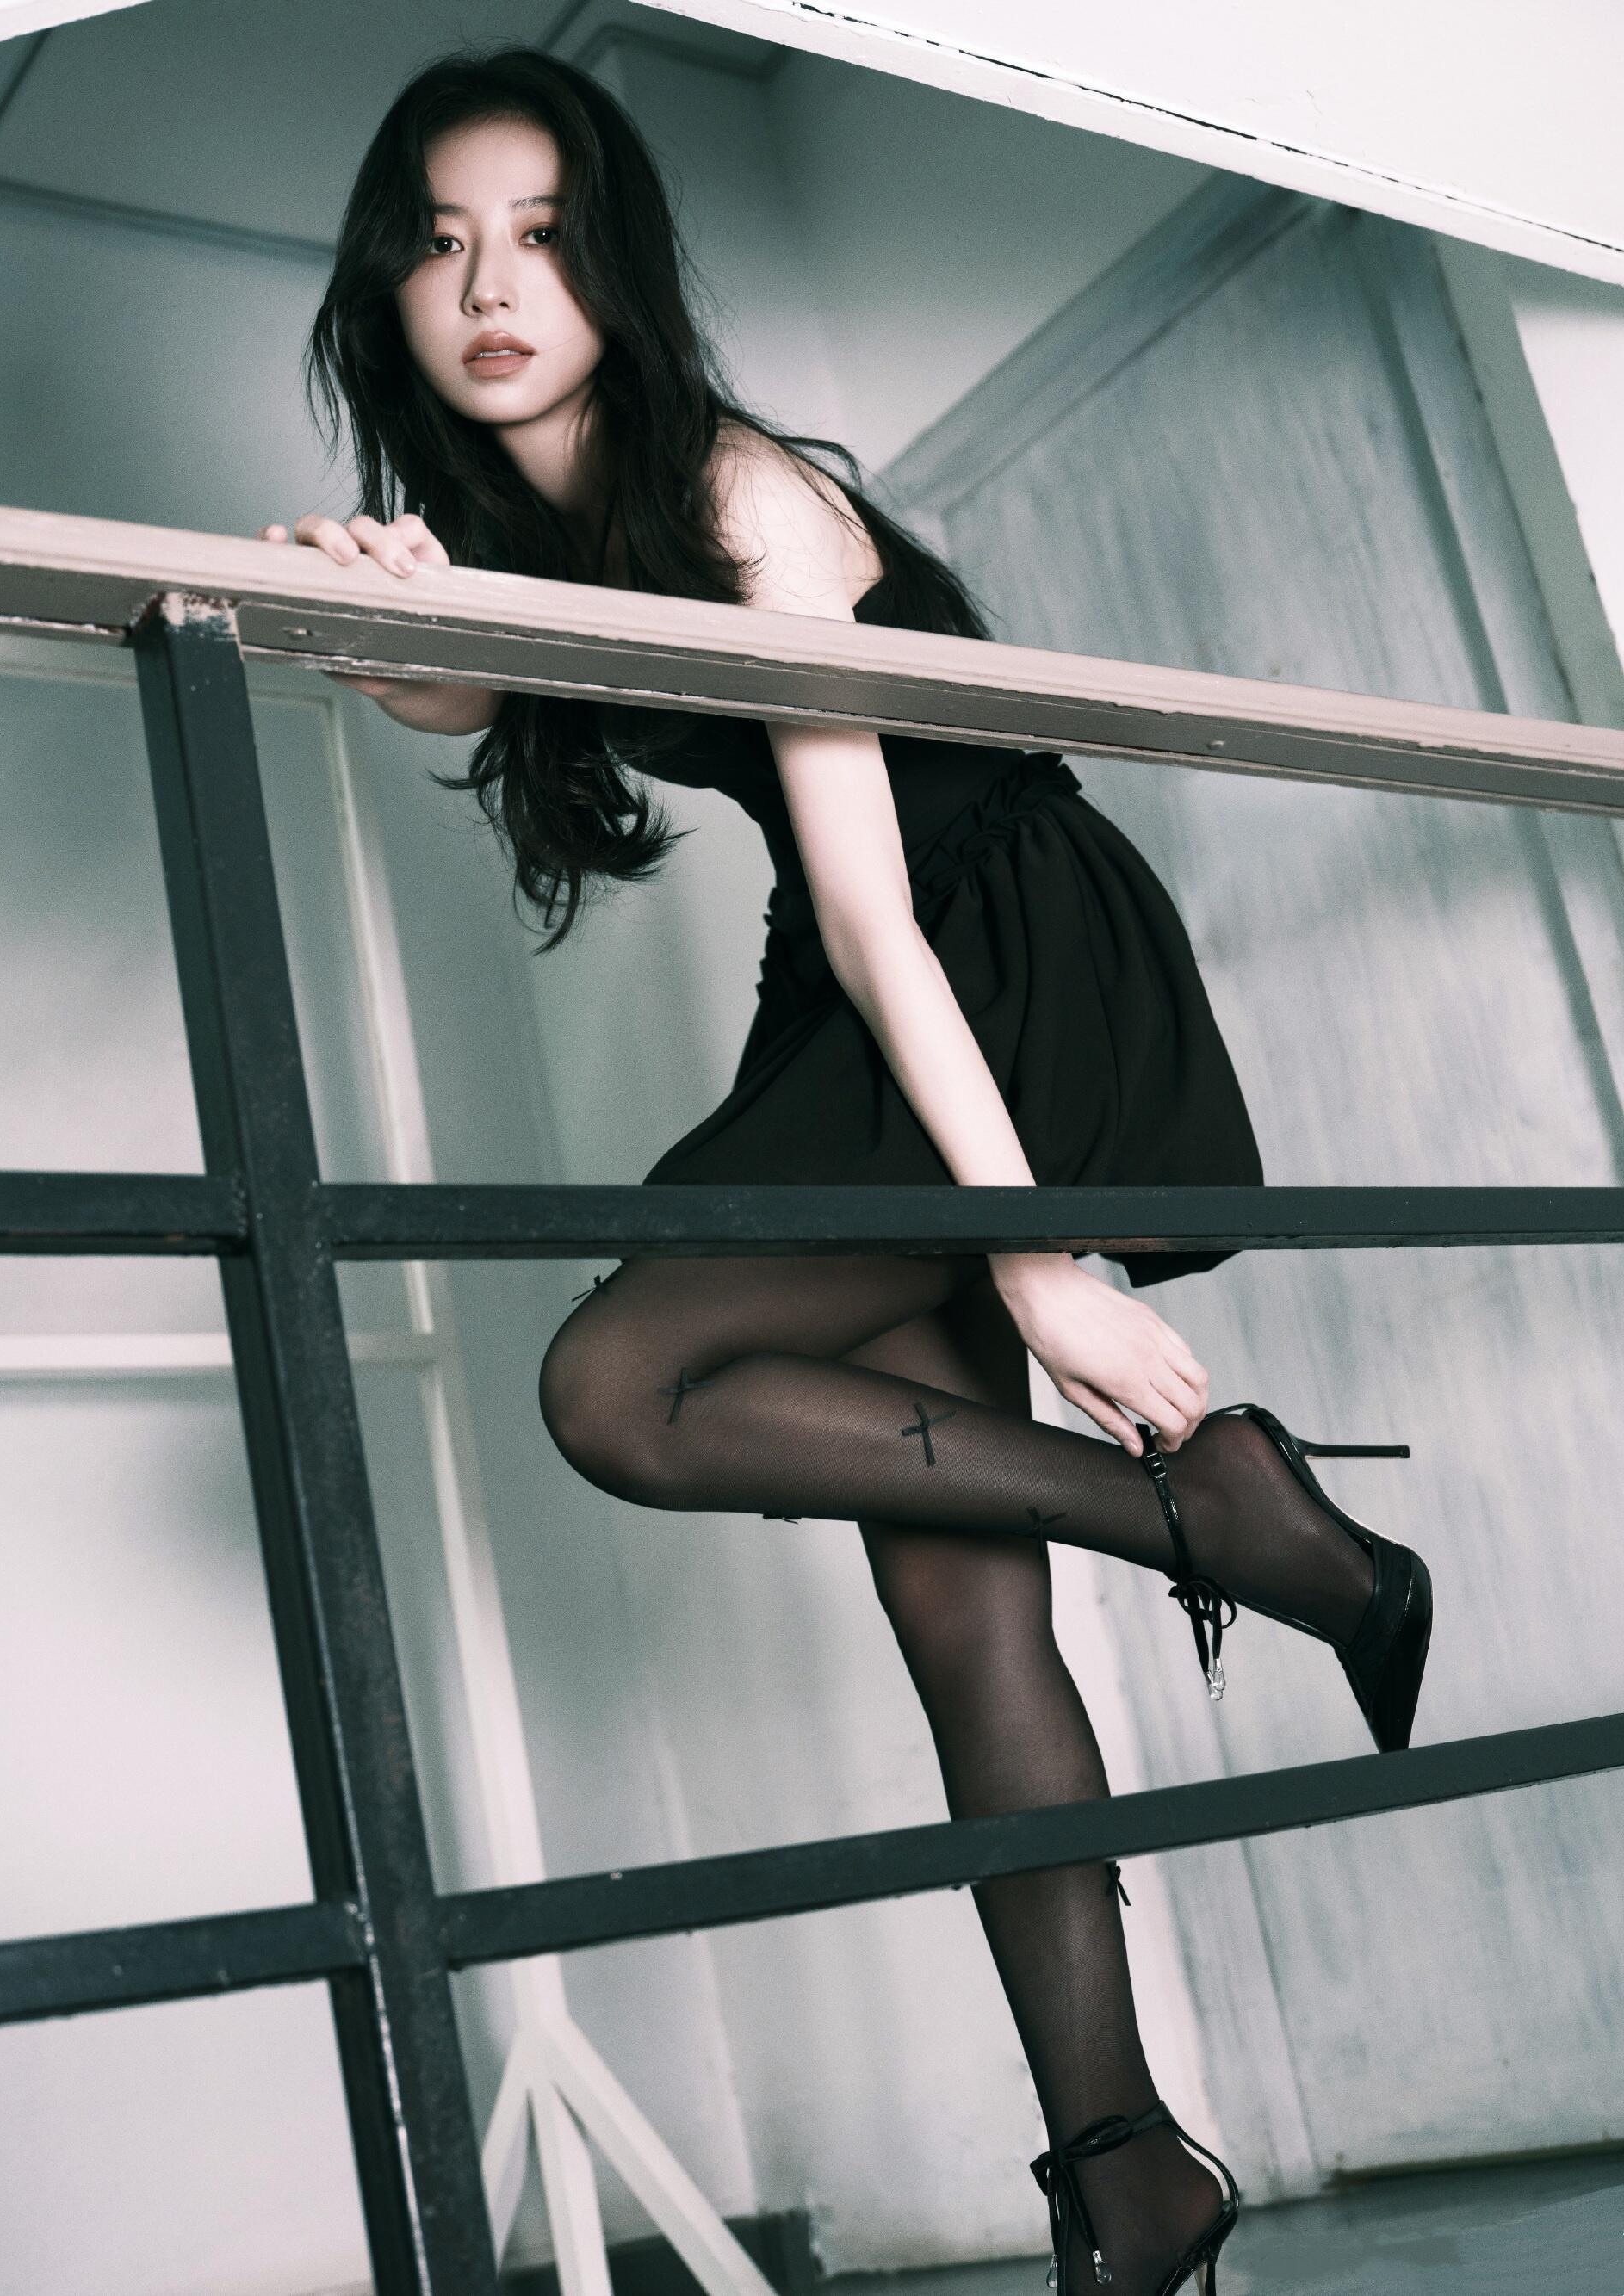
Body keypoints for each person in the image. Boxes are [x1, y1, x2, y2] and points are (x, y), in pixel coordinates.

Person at [265, 47, 1432, 2295]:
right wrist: (383, 611)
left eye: (542, 235)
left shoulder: (739, 497)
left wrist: (1038, 1266)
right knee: (958, 1603)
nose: (493, 286)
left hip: (978, 959)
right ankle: (1128, 2169)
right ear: (386, 286)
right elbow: (474, 692)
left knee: (617, 1380)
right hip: (857, 985)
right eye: (442, 241)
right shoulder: (541, 525)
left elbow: (890, 912)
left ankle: (1221, 1512)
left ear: (617, 266)